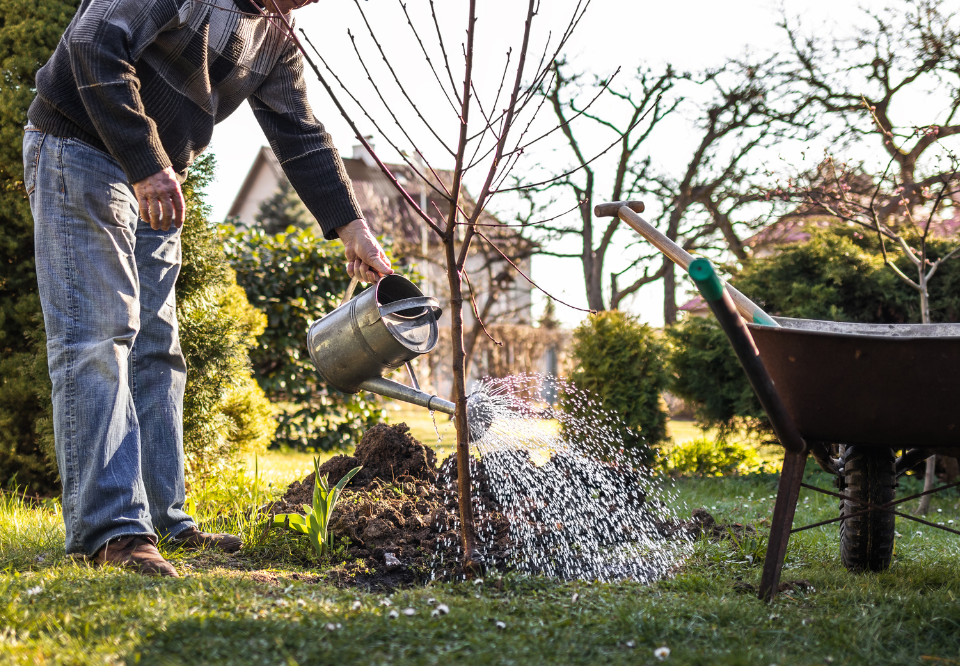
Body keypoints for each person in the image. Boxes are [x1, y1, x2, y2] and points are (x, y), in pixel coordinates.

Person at [22, 0, 391, 577]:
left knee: (156, 347)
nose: (306, 3)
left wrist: (355, 229)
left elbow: (301, 133)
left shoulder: (274, 33)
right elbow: (92, 42)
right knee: (98, 337)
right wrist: (146, 163)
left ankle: (165, 521)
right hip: (82, 148)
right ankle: (114, 531)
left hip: (157, 175)